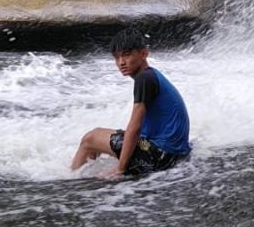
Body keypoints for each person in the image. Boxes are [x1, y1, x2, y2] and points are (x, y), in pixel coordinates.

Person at [70, 28, 191, 178]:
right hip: (172, 156)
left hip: (160, 157)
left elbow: (135, 126)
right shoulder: (152, 76)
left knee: (90, 139)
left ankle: (72, 180)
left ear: (144, 53)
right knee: (100, 142)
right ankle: (83, 176)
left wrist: (120, 170)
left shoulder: (144, 79)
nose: (121, 62)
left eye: (126, 55)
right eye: (117, 57)